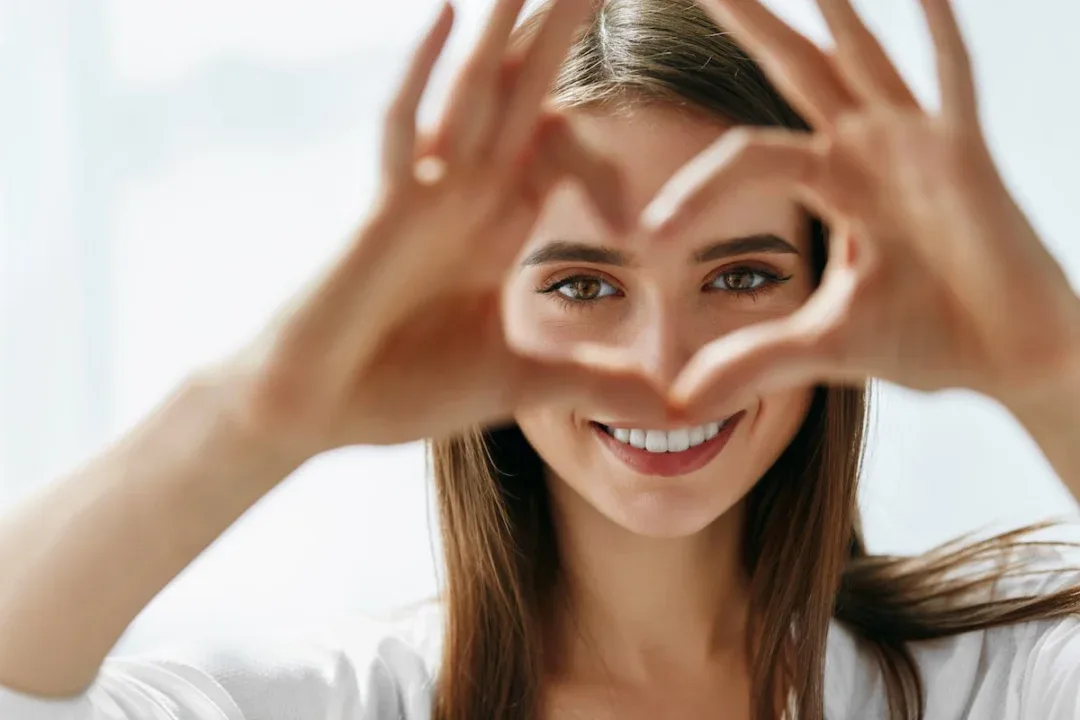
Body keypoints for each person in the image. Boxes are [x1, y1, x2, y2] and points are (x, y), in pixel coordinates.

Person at [0, 0, 1078, 717]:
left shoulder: (995, 678)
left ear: (832, 285)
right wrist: (258, 415)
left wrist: (1052, 368)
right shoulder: (328, 700)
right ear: (486, 309)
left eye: (742, 276)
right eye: (582, 285)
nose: (665, 360)